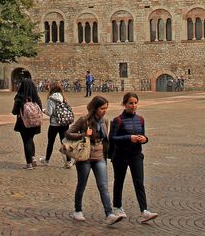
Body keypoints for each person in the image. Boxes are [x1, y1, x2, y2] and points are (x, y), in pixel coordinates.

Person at [65, 96, 124, 225]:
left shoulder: (105, 121)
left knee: (103, 186)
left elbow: (105, 139)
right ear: (95, 108)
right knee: (82, 184)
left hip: (99, 157)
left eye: (106, 108)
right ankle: (78, 210)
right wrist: (83, 135)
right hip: (84, 156)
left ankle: (109, 214)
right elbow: (68, 133)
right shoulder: (83, 120)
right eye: (102, 108)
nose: (104, 111)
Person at [108, 93, 158, 223]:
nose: (133, 105)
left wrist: (144, 139)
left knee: (139, 182)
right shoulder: (117, 120)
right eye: (130, 103)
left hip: (136, 155)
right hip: (120, 156)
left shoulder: (140, 119)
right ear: (124, 104)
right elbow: (112, 138)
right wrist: (128, 138)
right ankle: (117, 207)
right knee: (119, 181)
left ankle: (144, 210)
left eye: (135, 103)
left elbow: (144, 135)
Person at [12, 77, 43, 169]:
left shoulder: (19, 97)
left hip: (24, 122)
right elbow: (40, 108)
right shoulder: (36, 97)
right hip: (35, 122)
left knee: (26, 141)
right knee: (30, 139)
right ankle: (33, 157)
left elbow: (14, 111)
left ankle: (29, 163)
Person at [42, 81, 73, 167]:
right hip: (64, 123)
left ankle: (47, 160)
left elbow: (50, 113)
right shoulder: (63, 97)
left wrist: (43, 111)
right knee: (65, 142)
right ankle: (69, 161)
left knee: (50, 142)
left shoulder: (51, 99)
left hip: (54, 124)